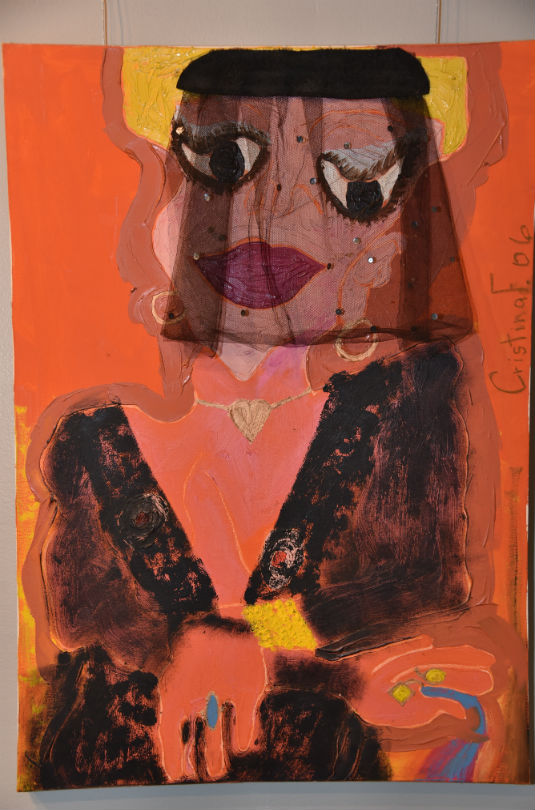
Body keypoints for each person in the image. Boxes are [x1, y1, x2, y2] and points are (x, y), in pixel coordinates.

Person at [24, 47, 522, 787]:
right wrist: (288, 653)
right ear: (168, 197)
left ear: (390, 237)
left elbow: (414, 593)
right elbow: (85, 622)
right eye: (224, 163)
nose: (275, 215)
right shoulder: (91, 442)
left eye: (355, 183)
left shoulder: (404, 407)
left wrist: (252, 639)